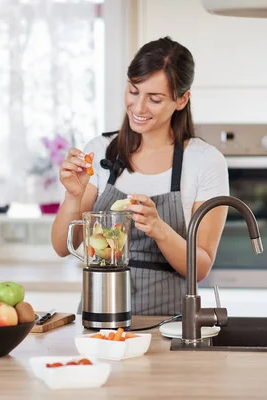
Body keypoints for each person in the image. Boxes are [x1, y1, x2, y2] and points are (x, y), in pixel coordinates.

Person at [50, 36, 230, 316]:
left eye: (154, 99)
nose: (138, 107)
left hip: (168, 326)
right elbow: (63, 247)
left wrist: (159, 228)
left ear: (182, 99)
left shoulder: (205, 161)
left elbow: (201, 267)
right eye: (134, 91)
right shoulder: (99, 150)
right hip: (99, 318)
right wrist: (73, 196)